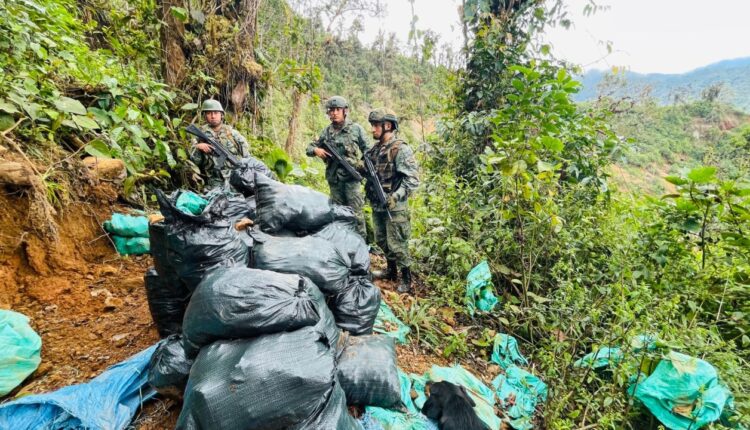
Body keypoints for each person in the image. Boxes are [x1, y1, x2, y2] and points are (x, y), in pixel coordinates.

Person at [365, 108, 419, 294]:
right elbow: (365, 170)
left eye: (375, 125)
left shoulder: (400, 149)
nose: (372, 129)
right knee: (381, 239)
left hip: (395, 206)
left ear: (387, 126)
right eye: (372, 125)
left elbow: (412, 180)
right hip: (377, 204)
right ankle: (391, 271)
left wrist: (395, 197)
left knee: (398, 243)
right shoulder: (374, 151)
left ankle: (406, 278)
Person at [306, 96, 369, 238]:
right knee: (338, 214)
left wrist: (360, 165)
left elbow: (368, 152)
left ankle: (361, 246)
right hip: (334, 180)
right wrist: (316, 150)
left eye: (337, 110)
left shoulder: (356, 129)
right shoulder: (326, 132)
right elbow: (310, 147)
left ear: (345, 111)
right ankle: (341, 243)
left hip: (351, 180)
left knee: (356, 215)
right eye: (331, 110)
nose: (334, 113)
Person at [190, 99, 251, 190]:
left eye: (216, 113)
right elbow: (194, 162)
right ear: (205, 116)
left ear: (221, 115)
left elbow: (247, 157)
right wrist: (198, 147)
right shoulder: (199, 135)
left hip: (235, 178)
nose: (213, 116)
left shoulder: (232, 134)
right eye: (209, 113)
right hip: (214, 181)